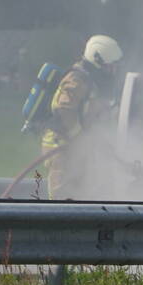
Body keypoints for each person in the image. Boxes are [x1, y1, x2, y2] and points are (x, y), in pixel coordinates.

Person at [40, 35, 123, 199]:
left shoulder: (91, 80)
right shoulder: (76, 79)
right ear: (97, 60)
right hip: (60, 143)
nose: (113, 70)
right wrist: (78, 135)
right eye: (110, 66)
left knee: (81, 189)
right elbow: (64, 108)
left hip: (75, 144)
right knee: (62, 193)